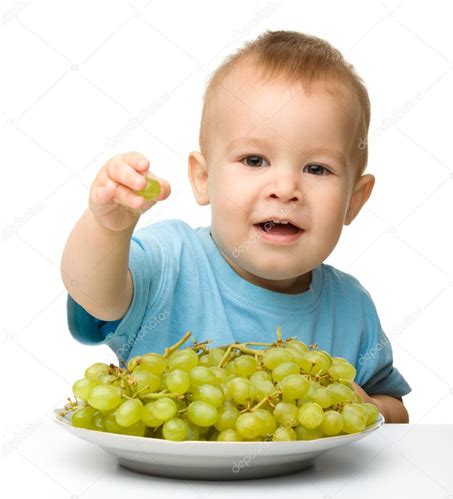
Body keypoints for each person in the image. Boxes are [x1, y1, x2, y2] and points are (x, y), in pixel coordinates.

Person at [61, 30, 411, 423]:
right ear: (203, 178)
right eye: (254, 160)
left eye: (316, 169)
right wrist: (108, 228)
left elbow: (396, 413)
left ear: (355, 200)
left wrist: (367, 408)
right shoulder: (171, 261)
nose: (285, 189)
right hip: (162, 484)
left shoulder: (351, 308)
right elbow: (91, 291)